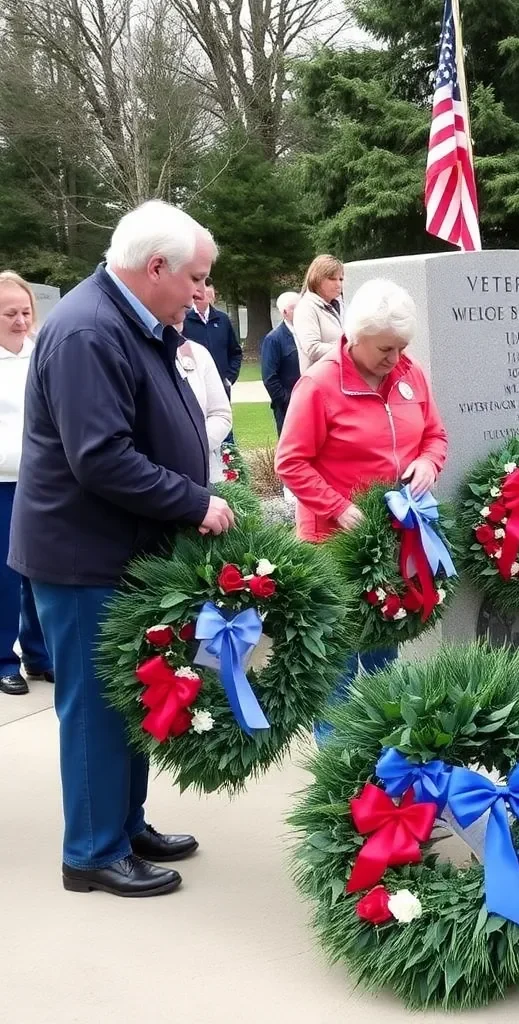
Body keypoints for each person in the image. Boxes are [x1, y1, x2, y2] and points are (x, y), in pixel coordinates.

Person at [8, 200, 235, 897]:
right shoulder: (88, 330)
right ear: (155, 267)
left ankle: (124, 821)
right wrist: (195, 501)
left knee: (133, 698)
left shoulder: (133, 322)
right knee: (97, 707)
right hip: (84, 557)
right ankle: (92, 851)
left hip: (123, 549)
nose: (200, 294)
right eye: (194, 279)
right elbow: (100, 457)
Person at [275, 278, 448, 745]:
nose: (395, 359)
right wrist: (339, 508)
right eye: (384, 349)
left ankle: (381, 759)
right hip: (334, 543)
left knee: (382, 650)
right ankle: (341, 774)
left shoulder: (411, 376)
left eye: (401, 347)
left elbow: (435, 436)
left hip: (395, 538)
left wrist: (427, 463)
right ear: (354, 337)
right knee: (338, 664)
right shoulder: (319, 384)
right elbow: (290, 462)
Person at [0, 272, 52, 696]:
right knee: (4, 576)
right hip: (1, 483)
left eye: (25, 312)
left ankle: (39, 654)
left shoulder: (42, 353)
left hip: (40, 483)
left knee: (40, 571)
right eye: (9, 313)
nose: (20, 320)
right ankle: (4, 658)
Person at [175, 330, 233, 482]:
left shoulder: (198, 353)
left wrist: (193, 446)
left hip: (205, 473)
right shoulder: (131, 350)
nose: (188, 305)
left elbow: (221, 414)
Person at [181, 280, 242, 398]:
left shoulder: (222, 320)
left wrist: (229, 378)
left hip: (221, 387)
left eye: (203, 294)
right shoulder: (184, 319)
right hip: (194, 387)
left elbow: (235, 352)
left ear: (211, 297)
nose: (198, 297)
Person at [293, 253, 345, 373]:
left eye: (341, 279)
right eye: (332, 279)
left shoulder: (340, 305)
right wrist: (349, 349)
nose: (338, 284)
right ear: (317, 279)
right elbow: (312, 349)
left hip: (339, 378)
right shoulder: (306, 307)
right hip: (320, 381)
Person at [261, 290, 301, 435]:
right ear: (285, 312)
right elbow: (269, 377)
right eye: (297, 307)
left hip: (310, 402)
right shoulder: (274, 339)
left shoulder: (307, 333)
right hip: (288, 408)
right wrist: (287, 399)